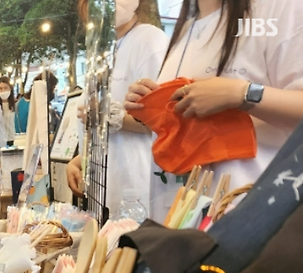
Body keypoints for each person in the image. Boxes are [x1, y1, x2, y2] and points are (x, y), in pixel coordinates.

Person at [124, 0, 303, 222]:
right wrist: (151, 106)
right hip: (178, 222)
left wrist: (240, 94)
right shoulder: (188, 29)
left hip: (245, 219)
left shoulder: (279, 9)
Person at [66, 0, 169, 216]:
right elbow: (103, 133)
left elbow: (163, 122)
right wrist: (80, 161)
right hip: (103, 191)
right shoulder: (101, 52)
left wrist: (110, 117)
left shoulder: (149, 41)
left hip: (137, 190)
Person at [0, 76, 16, 147]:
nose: (3, 91)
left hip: (13, 139)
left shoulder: (15, 105)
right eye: (0, 88)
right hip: (0, 140)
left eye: (5, 88)